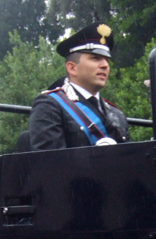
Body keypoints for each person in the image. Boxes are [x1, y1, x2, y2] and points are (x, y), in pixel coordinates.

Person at [28, 22, 130, 150]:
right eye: (95, 58)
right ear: (72, 68)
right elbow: (50, 165)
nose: (105, 65)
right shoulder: (49, 106)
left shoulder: (117, 114)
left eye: (107, 60)